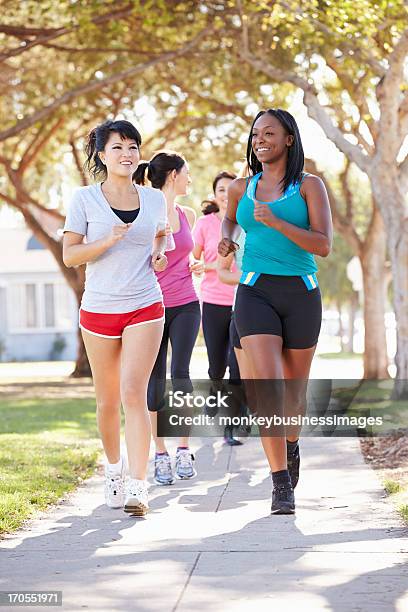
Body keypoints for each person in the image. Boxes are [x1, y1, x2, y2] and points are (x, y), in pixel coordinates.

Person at [218, 108, 332, 514]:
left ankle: (291, 443)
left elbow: (323, 245)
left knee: (293, 398)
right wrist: (227, 240)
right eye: (255, 134)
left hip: (301, 292)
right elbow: (230, 221)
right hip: (255, 291)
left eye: (269, 133)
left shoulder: (309, 186)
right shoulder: (240, 187)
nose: (260, 139)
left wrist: (278, 223)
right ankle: (280, 484)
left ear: (288, 139)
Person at [63, 119, 168, 516]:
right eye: (118, 147)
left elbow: (160, 235)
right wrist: (106, 240)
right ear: (102, 155)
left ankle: (138, 486)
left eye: (133, 146)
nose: (128, 153)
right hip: (99, 309)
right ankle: (114, 470)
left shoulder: (154, 199)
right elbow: (71, 255)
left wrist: (158, 254)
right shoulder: (84, 199)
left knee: (132, 393)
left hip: (144, 303)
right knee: (107, 401)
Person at [134, 151, 203, 485]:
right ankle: (160, 453)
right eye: (187, 172)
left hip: (188, 302)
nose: (190, 178)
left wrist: (194, 265)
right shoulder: (145, 213)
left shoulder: (187, 214)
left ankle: (183, 448)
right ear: (174, 174)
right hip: (154, 307)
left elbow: (184, 255)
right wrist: (154, 260)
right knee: (156, 379)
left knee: (182, 373)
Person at [193, 172, 242, 445]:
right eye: (220, 189)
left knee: (237, 366)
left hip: (242, 301)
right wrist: (204, 266)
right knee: (217, 366)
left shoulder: (244, 223)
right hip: (212, 301)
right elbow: (194, 257)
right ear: (215, 195)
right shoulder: (204, 224)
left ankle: (230, 427)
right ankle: (213, 396)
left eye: (229, 189)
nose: (225, 194)